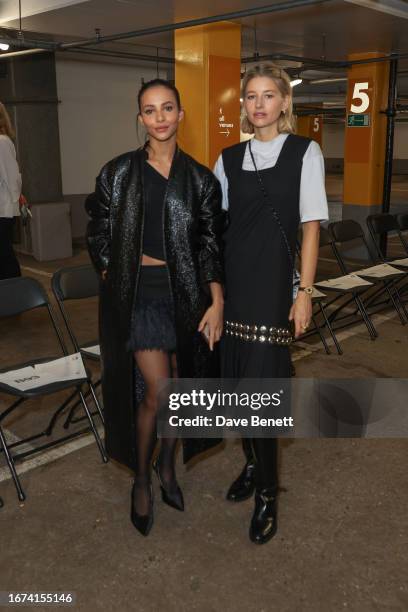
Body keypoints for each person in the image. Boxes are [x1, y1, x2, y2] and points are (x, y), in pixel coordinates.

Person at [85, 79, 224, 536]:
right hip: (140, 296)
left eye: (167, 108)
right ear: (140, 118)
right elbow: (98, 229)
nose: (160, 117)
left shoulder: (201, 179)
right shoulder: (118, 172)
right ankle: (142, 480)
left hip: (186, 297)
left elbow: (209, 245)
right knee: (159, 392)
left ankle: (167, 466)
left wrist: (216, 299)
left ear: (181, 114)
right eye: (150, 110)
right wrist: (111, 271)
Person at [214, 64, 329, 544]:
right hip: (234, 288)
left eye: (268, 96)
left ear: (284, 103)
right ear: (243, 104)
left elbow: (311, 226)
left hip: (273, 288)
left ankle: (268, 493)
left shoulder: (305, 152)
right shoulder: (227, 158)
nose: (258, 104)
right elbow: (214, 230)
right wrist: (213, 294)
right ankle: (254, 463)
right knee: (240, 386)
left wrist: (303, 293)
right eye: (250, 96)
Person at [0, 102, 22, 280]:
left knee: (4, 254)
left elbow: (13, 177)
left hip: (3, 210)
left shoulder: (2, 142)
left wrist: (16, 202)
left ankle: (17, 295)